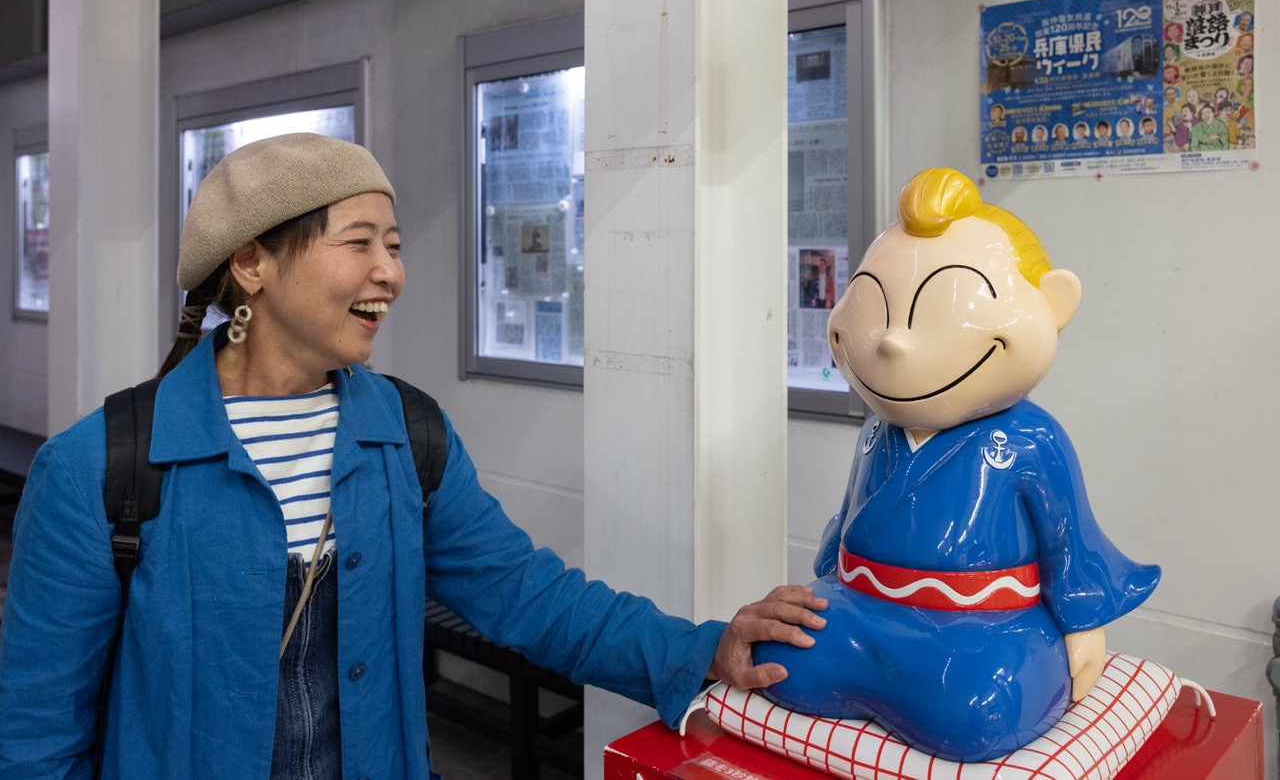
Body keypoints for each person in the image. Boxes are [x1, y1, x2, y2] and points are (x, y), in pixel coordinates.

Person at [0, 133, 826, 779]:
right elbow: (38, 731)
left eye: (393, 246)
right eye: (359, 243)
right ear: (250, 262)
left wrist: (699, 648)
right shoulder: (103, 467)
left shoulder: (405, 434)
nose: (390, 274)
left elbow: (528, 595)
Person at [753, 168, 1159, 762]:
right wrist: (824, 574)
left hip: (979, 627)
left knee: (977, 710)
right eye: (871, 306)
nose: (891, 341)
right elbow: (850, 511)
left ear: (1054, 306)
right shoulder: (877, 429)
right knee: (781, 656)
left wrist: (1083, 624)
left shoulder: (1030, 438)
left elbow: (1069, 538)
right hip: (862, 604)